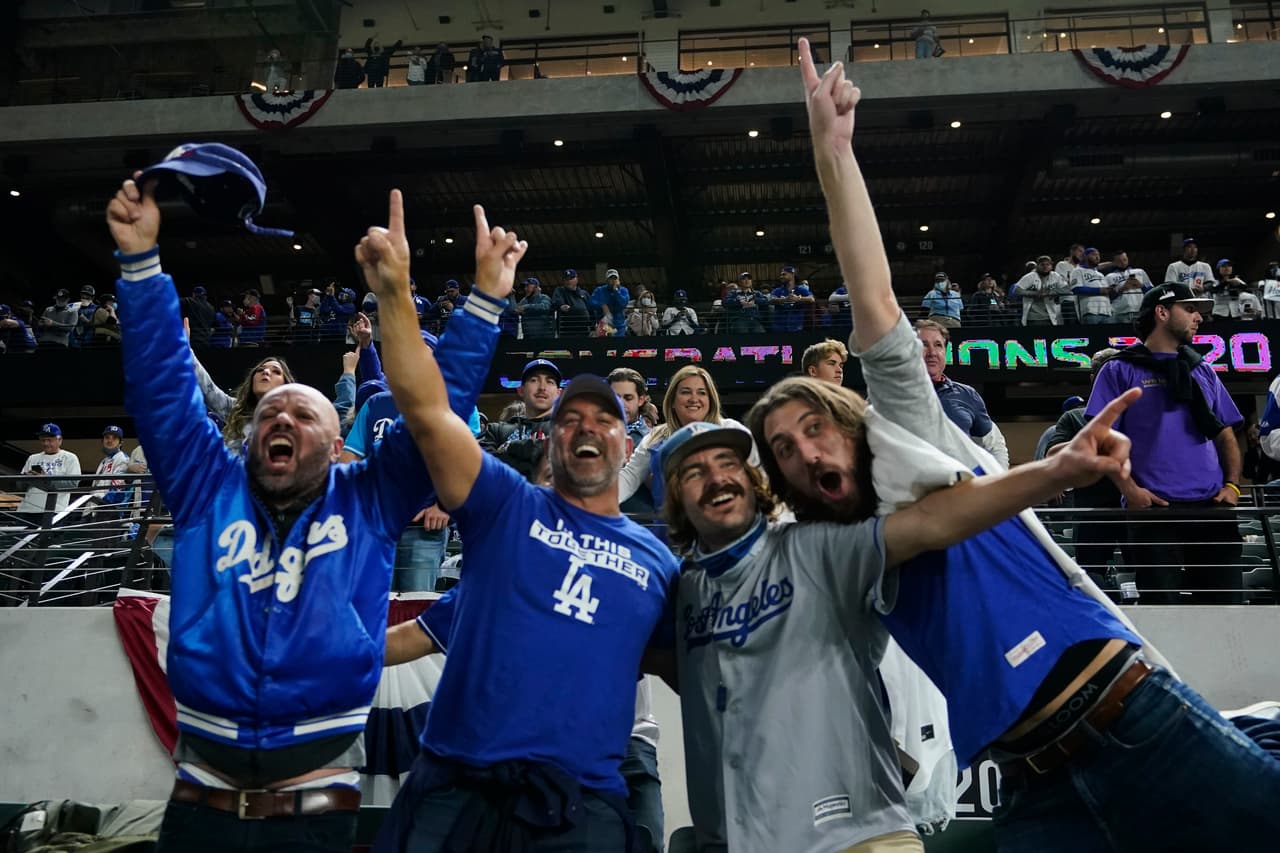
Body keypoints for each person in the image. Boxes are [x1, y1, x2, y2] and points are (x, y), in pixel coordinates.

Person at [762, 43, 1280, 853]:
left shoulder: (909, 434)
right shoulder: (833, 554)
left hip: (1137, 718)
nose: (803, 452)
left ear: (851, 419)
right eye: (783, 451)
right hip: (1032, 785)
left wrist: (834, 155)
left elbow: (873, 294)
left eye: (812, 426)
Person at [106, 172, 448, 853]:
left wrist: (402, 296)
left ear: (339, 444)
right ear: (249, 431)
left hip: (316, 809)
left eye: (302, 411)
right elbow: (164, 394)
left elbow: (438, 415)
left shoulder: (367, 500)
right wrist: (141, 265)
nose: (282, 417)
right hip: (198, 804)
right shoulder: (210, 489)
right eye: (268, 411)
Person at [357, 195, 680, 852]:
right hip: (455, 790)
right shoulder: (508, 504)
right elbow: (427, 413)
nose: (587, 428)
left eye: (605, 420)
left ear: (628, 443)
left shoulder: (658, 561)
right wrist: (408, 295)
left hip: (579, 806)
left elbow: (697, 673)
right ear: (550, 440)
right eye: (570, 419)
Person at [1085, 282, 1245, 605]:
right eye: (1190, 309)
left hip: (1213, 509)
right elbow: (1100, 439)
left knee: (1226, 610)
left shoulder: (1203, 370)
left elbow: (1225, 433)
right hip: (1153, 511)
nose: (1199, 317)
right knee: (1163, 611)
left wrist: (1233, 486)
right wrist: (1130, 491)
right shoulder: (1118, 369)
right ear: (1161, 312)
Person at [617, 365, 757, 515]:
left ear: (710, 400)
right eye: (685, 392)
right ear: (672, 400)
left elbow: (760, 477)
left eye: (702, 393)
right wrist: (599, 502)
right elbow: (629, 477)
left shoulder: (732, 430)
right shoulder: (654, 437)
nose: (694, 399)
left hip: (724, 523)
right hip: (669, 526)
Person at [916, 319, 1009, 467]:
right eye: (924, 345)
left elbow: (995, 446)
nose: (932, 353)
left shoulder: (967, 395)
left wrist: (999, 477)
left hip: (959, 480)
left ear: (945, 352)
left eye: (938, 345)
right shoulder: (890, 394)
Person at [18, 422, 82, 519]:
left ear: (59, 440)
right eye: (43, 440)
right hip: (27, 509)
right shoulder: (33, 458)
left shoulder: (70, 458)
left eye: (49, 440)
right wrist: (27, 479)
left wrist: (46, 479)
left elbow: (73, 484)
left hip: (54, 510)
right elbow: (19, 486)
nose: (46, 443)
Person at [591, 269, 630, 336]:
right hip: (604, 324)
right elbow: (591, 303)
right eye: (611, 278)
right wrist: (602, 305)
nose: (613, 280)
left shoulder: (623, 290)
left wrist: (616, 291)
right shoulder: (599, 290)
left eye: (615, 278)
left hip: (619, 326)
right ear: (607, 280)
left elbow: (624, 303)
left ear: (618, 280)